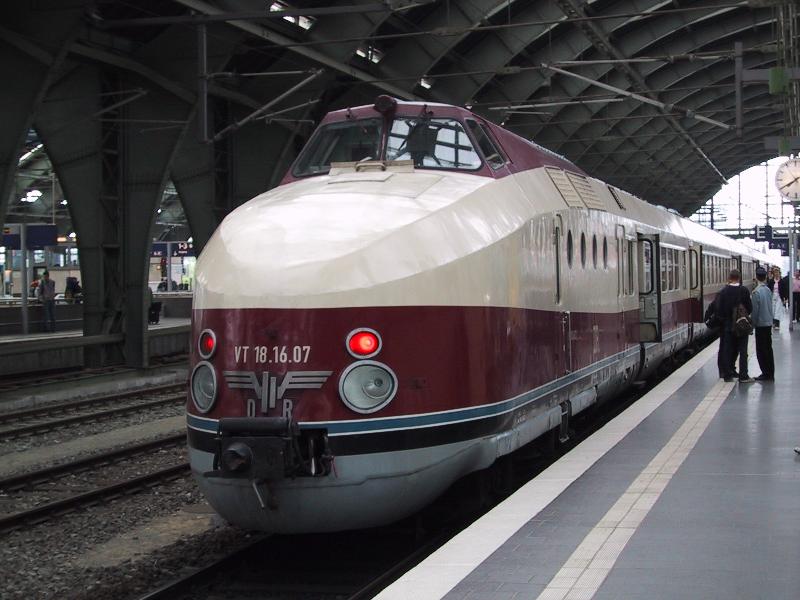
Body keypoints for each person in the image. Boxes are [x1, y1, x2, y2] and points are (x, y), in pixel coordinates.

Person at [712, 268, 753, 383]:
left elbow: (719, 310)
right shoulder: (744, 290)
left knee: (727, 349)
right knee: (743, 350)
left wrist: (725, 320)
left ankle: (727, 374)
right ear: (739, 278)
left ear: (730, 278)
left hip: (728, 326)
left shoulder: (723, 291)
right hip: (741, 325)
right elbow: (750, 308)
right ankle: (743, 375)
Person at [750, 267, 774, 381]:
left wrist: (752, 324)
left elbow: (755, 311)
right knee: (768, 349)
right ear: (765, 277)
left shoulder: (756, 292)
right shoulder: (768, 290)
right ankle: (770, 372)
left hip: (760, 324)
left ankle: (765, 373)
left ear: (756, 278)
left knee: (761, 349)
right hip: (768, 323)